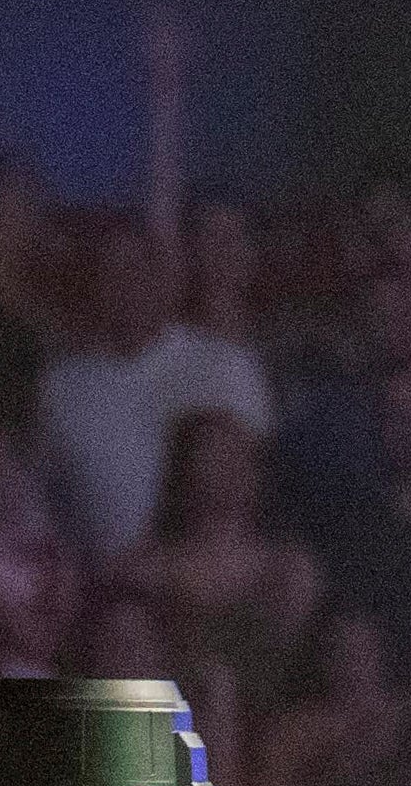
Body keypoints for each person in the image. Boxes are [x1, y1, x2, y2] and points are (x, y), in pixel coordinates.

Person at [34, 215, 276, 568]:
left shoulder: (226, 364)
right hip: (109, 595)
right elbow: (48, 501)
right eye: (110, 272)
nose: (125, 284)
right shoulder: (62, 386)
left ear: (158, 276)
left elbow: (265, 489)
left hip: (219, 585)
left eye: (135, 268)